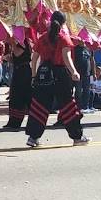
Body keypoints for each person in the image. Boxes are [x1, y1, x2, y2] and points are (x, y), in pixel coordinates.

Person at [26, 11, 89, 148]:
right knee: (68, 107)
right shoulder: (63, 38)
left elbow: (34, 58)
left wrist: (34, 76)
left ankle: (33, 137)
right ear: (63, 24)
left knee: (40, 106)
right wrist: (74, 72)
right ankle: (77, 137)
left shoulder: (43, 38)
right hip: (60, 75)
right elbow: (66, 58)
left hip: (44, 74)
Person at [2, 40, 33, 130]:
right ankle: (13, 121)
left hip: (24, 72)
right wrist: (9, 59)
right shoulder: (17, 43)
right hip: (18, 71)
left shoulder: (24, 42)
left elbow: (17, 53)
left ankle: (30, 121)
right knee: (15, 97)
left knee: (23, 96)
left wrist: (12, 42)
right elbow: (15, 58)